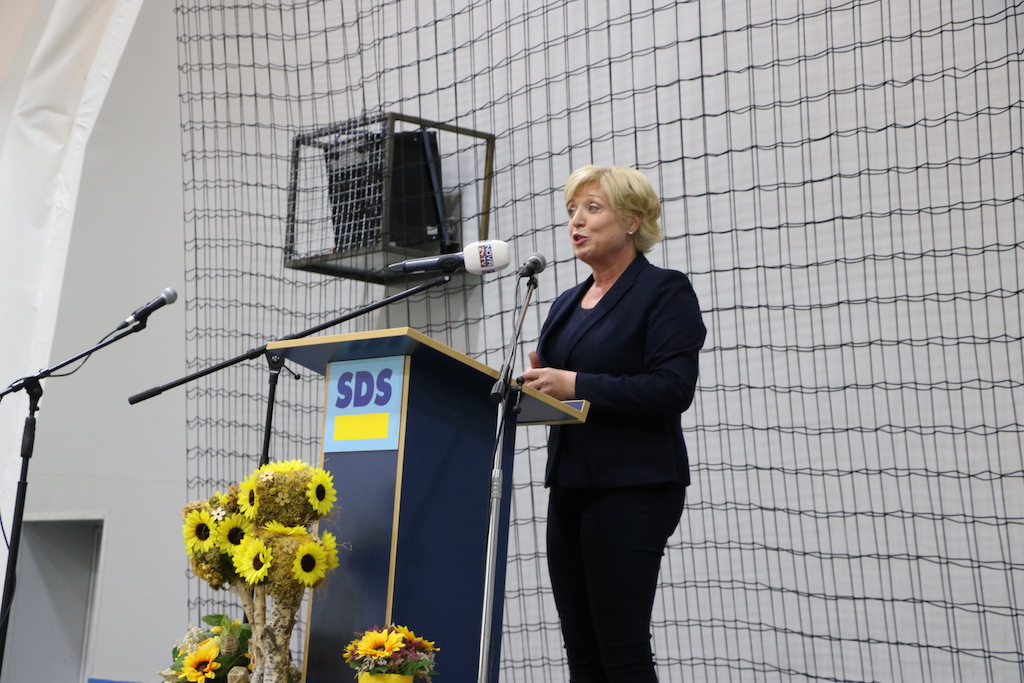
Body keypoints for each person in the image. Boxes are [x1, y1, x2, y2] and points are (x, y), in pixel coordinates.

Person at [520, 165, 706, 682]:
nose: (576, 221)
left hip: (634, 488)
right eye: (571, 211)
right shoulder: (563, 304)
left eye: (592, 208)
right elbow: (562, 390)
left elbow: (672, 389)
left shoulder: (664, 291)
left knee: (621, 653)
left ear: (632, 221)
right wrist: (538, 387)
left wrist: (575, 383)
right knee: (582, 654)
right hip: (570, 488)